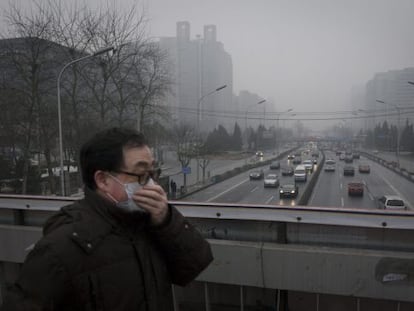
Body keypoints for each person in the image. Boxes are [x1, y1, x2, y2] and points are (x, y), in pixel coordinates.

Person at [1, 127, 213, 311]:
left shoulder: (148, 224)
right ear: (103, 180)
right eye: (140, 175)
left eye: (152, 174)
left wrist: (166, 220)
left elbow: (193, 266)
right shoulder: (61, 247)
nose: (152, 186)